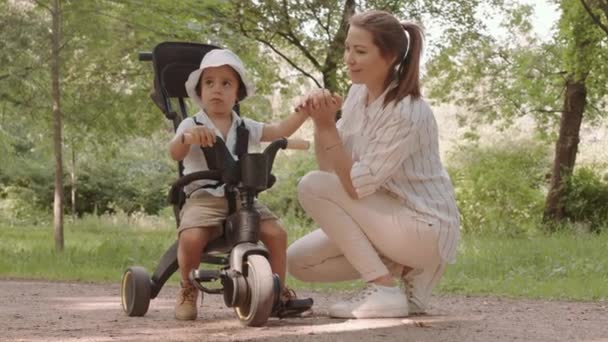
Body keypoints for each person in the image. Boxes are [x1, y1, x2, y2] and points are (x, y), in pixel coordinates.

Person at [287, 10, 460, 319]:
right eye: (348, 48)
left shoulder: (407, 112)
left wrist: (328, 127)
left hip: (424, 225)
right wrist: (320, 121)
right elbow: (330, 168)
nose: (348, 59)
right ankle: (402, 268)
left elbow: (351, 187)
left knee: (311, 185)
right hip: (384, 218)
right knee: (299, 261)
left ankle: (383, 287)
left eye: (360, 51)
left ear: (389, 56)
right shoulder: (357, 94)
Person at [169, 48, 309, 320]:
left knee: (276, 234)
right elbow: (175, 152)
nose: (217, 90)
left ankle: (277, 290)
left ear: (238, 93)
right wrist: (186, 138)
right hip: (205, 198)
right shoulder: (191, 123)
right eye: (209, 83)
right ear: (200, 91)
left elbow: (280, 131)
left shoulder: (247, 126)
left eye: (226, 83)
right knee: (191, 237)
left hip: (244, 199)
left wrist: (303, 114)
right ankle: (188, 288)